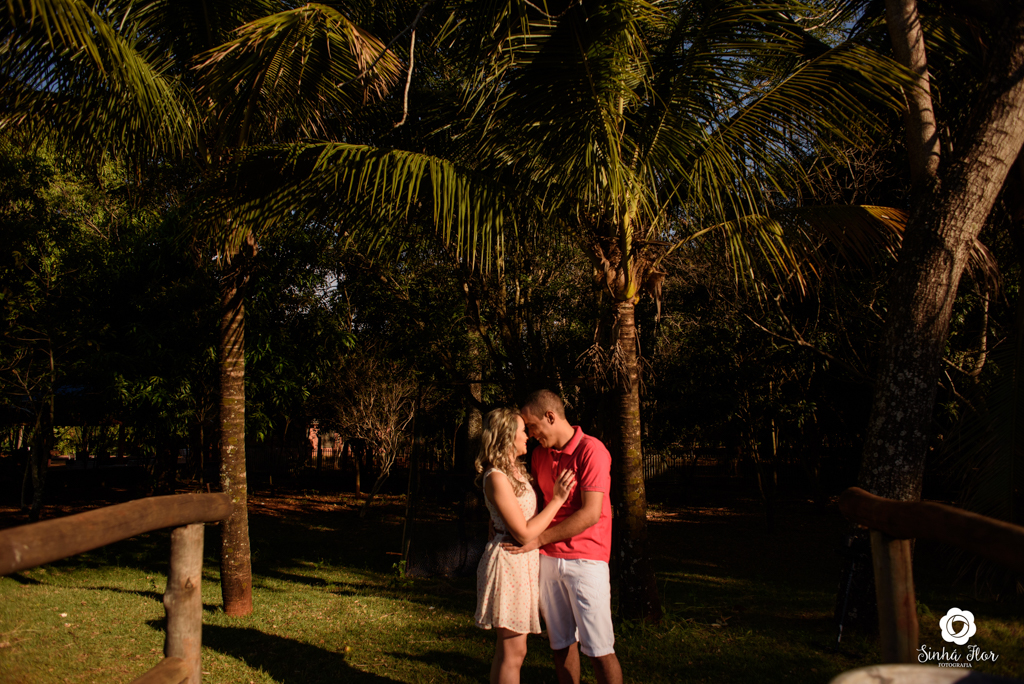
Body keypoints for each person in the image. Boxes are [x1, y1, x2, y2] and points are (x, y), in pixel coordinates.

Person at [506, 389, 623, 684]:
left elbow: (590, 514)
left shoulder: (592, 450)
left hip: (586, 560)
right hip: (546, 559)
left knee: (599, 649)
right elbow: (538, 506)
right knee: (559, 645)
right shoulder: (538, 455)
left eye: (531, 426)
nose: (530, 434)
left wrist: (538, 540)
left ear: (551, 416)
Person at [474, 407, 577, 684]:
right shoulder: (496, 477)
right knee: (513, 651)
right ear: (507, 436)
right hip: (509, 565)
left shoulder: (514, 472)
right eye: (522, 430)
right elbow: (522, 533)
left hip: (519, 564)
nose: (527, 436)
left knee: (511, 651)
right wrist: (558, 499)